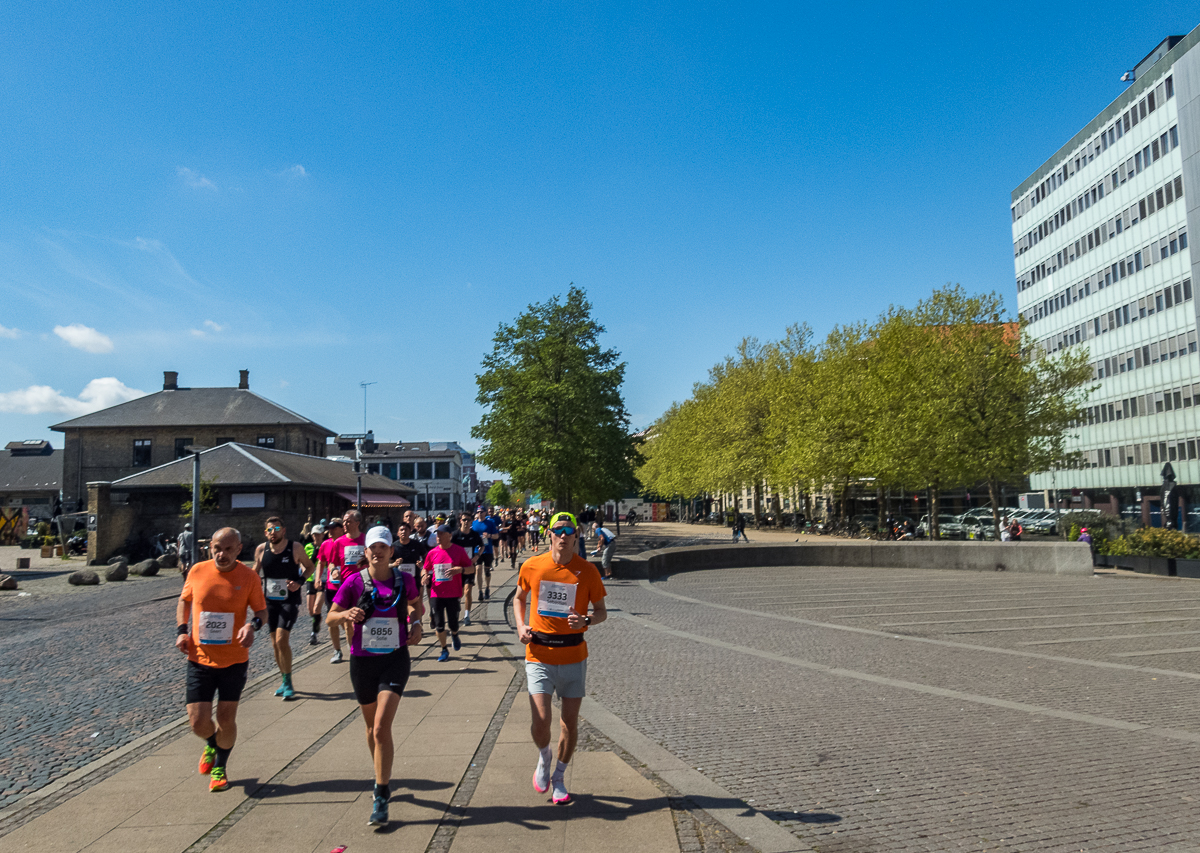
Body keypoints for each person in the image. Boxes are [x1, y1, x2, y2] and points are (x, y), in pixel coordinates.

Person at [327, 526, 423, 827]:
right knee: (371, 730)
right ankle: (381, 773)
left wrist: (416, 621)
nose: (377, 551)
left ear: (391, 551)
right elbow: (331, 614)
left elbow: (416, 603)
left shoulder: (403, 579)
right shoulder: (354, 582)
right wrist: (346, 615)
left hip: (394, 659)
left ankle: (380, 796)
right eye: (372, 547)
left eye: (383, 546)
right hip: (362, 662)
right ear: (365, 552)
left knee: (381, 727)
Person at [513, 512, 607, 805]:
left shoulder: (588, 571)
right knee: (541, 720)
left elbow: (602, 611)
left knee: (569, 723)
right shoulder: (532, 565)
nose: (563, 535)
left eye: (569, 531)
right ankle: (544, 757)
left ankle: (560, 777)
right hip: (538, 653)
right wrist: (520, 626)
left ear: (576, 536)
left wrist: (586, 621)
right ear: (549, 535)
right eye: (558, 530)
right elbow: (519, 597)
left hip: (573, 656)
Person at [175, 527, 267, 792]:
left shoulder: (248, 577)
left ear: (239, 549)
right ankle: (212, 744)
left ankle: (220, 767)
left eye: (228, 549)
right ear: (210, 547)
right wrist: (182, 631)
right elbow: (184, 601)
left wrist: (252, 626)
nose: (222, 554)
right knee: (197, 721)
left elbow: (261, 611)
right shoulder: (197, 571)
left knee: (226, 719)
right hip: (199, 658)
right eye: (217, 548)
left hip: (234, 660)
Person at [253, 517, 315, 700]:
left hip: (289, 599)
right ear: (266, 533)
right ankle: (283, 679)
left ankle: (288, 683)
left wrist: (299, 582)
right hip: (270, 601)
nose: (273, 532)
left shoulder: (295, 548)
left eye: (277, 528)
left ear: (283, 530)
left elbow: (310, 567)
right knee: (274, 643)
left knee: (281, 639)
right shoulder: (261, 550)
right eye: (270, 530)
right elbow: (254, 574)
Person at [422, 524, 473, 662]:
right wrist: (424, 576)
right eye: (437, 534)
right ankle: (444, 649)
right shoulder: (432, 553)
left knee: (453, 623)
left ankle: (455, 634)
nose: (438, 537)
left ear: (449, 535)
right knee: (439, 624)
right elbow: (425, 568)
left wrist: (460, 570)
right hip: (436, 593)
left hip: (453, 593)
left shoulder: (459, 551)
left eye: (441, 534)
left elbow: (471, 569)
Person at [324, 511, 367, 663]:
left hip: (365, 585)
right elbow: (331, 563)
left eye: (348, 521)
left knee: (364, 620)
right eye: (344, 521)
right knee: (349, 622)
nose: (345, 524)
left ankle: (367, 648)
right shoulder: (339, 542)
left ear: (357, 523)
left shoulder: (365, 540)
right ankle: (354, 652)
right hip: (347, 586)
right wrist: (334, 570)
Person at [452, 513, 484, 624]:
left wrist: (477, 556)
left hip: (469, 567)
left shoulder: (474, 535)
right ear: (460, 520)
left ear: (471, 521)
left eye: (468, 520)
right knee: (459, 593)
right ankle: (456, 610)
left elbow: (482, 545)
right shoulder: (455, 535)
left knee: (468, 591)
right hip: (457, 567)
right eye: (464, 520)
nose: (466, 522)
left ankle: (467, 615)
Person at [304, 524, 328, 645]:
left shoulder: (328, 545)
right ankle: (317, 622)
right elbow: (309, 563)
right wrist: (316, 550)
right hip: (311, 579)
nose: (316, 537)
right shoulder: (308, 546)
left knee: (317, 607)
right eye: (314, 534)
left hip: (323, 580)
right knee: (310, 609)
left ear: (323, 534)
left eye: (319, 534)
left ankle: (314, 634)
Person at [471, 508, 497, 601]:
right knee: (478, 569)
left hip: (488, 550)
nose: (480, 513)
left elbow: (496, 536)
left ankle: (487, 588)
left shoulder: (490, 523)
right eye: (478, 512)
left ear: (485, 513)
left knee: (487, 571)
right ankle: (480, 591)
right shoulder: (474, 523)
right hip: (477, 550)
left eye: (481, 512)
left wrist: (489, 535)